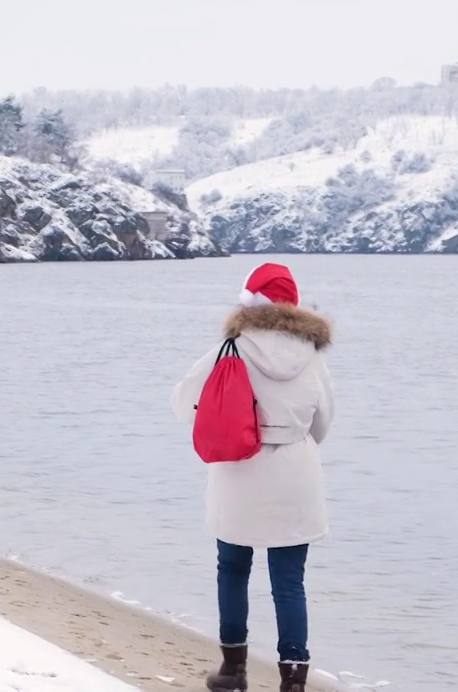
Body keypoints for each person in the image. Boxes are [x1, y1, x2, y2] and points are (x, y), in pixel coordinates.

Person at [171, 263, 334, 692]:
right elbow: (324, 422)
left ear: (250, 303)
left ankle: (233, 671)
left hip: (239, 471)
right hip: (295, 476)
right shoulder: (312, 355)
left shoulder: (233, 348)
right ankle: (294, 680)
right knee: (289, 581)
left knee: (233, 568)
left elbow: (184, 400)